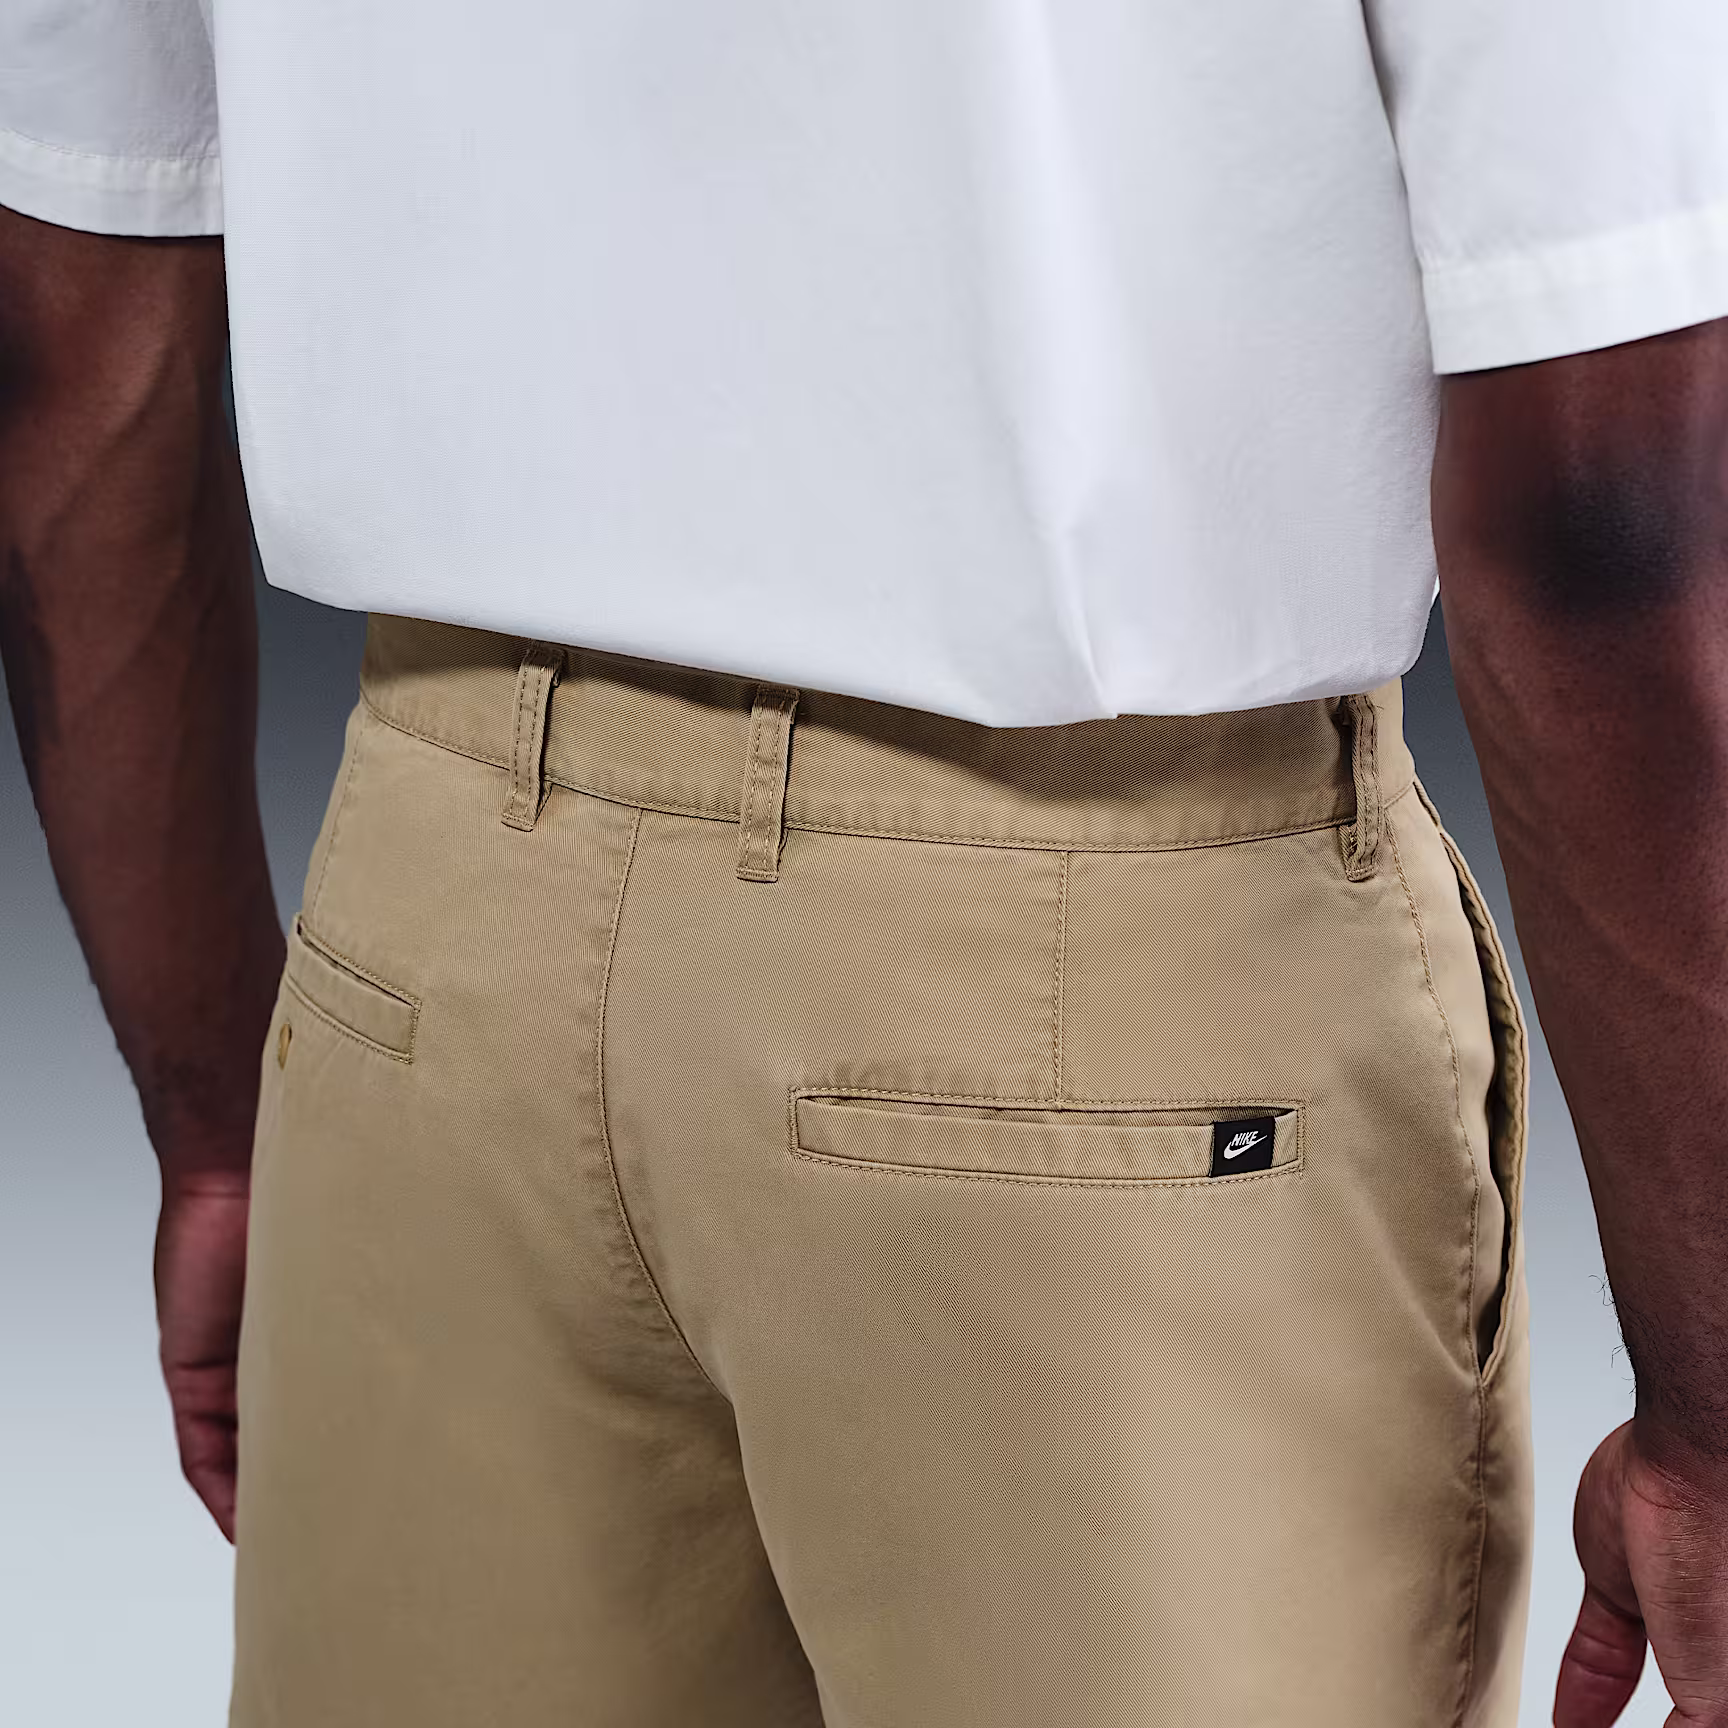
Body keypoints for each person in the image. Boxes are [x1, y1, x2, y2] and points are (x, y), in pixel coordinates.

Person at [2, 3, 1726, 1723]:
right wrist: (1714, 1421)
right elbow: (1598, 508)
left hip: (432, 969)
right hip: (1099, 1014)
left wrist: (215, 1128)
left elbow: (71, 343)